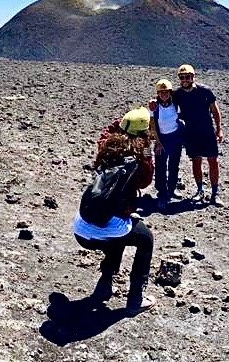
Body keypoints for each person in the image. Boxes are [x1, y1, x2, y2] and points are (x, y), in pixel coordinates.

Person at [73, 108, 156, 316]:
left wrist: (121, 124)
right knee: (145, 239)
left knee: (120, 235)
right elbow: (147, 180)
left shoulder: (107, 148)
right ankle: (136, 299)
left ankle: (104, 286)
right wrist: (148, 148)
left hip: (82, 224)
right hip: (108, 224)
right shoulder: (139, 157)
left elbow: (104, 135)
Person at [173, 64, 225, 206]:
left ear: (193, 77)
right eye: (182, 77)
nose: (185, 80)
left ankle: (215, 193)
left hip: (207, 131)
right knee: (196, 161)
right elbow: (167, 105)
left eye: (188, 77)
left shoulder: (205, 91)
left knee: (213, 161)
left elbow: (215, 111)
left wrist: (219, 129)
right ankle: (200, 191)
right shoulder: (177, 94)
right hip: (191, 133)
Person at [149, 79, 184, 210]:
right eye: (161, 92)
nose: (164, 94)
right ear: (158, 93)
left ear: (170, 92)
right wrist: (158, 143)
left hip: (175, 138)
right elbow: (153, 125)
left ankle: (172, 188)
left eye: (166, 91)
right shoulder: (154, 107)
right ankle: (162, 193)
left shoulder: (176, 103)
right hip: (162, 139)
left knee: (174, 165)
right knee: (161, 167)